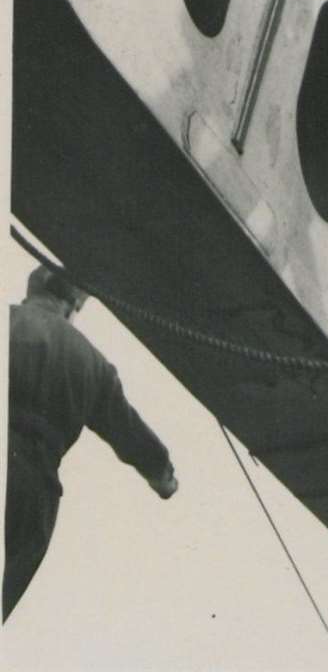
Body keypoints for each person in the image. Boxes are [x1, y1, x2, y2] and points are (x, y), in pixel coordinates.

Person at [5, 264, 178, 621]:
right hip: (35, 488)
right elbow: (128, 430)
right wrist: (162, 474)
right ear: (71, 306)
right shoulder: (92, 364)